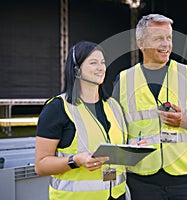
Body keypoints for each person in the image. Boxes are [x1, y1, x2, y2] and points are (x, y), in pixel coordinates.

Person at [112, 14, 187, 200]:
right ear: (141, 43)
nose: (166, 44)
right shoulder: (123, 80)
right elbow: (113, 129)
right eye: (158, 38)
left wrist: (184, 121)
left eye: (169, 38)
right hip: (141, 180)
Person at [35, 41, 131, 200]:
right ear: (76, 70)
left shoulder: (113, 106)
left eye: (103, 63)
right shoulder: (57, 108)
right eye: (93, 63)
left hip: (117, 195)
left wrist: (132, 150)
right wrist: (75, 160)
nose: (101, 68)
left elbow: (117, 148)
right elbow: (41, 166)